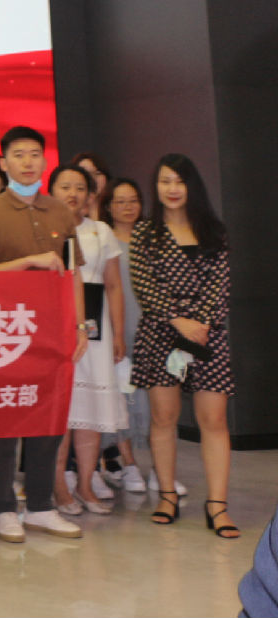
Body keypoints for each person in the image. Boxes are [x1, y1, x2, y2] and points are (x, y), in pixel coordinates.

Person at [0, 125, 87, 544]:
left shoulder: (59, 211)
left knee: (48, 419)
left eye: (35, 154)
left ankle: (40, 506)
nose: (28, 162)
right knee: (6, 419)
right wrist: (29, 262)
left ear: (45, 160)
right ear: (3, 163)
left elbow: (73, 274)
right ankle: (3, 507)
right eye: (18, 155)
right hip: (3, 331)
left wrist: (80, 326)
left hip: (52, 330)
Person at [128, 153, 238, 538]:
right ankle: (167, 496)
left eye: (179, 181)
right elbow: (144, 284)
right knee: (163, 418)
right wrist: (179, 321)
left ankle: (217, 506)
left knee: (214, 420)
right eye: (165, 181)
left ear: (192, 186)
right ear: (155, 186)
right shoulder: (145, 233)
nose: (172, 189)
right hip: (162, 331)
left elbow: (220, 283)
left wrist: (200, 323)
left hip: (208, 334)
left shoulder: (214, 231)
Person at [46, 163, 125, 517]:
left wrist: (119, 333)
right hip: (57, 325)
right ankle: (58, 487)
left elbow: (114, 286)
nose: (73, 194)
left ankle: (86, 485)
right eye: (65, 186)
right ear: (51, 191)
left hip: (96, 329)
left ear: (90, 195)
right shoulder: (46, 230)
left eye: (80, 187)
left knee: (91, 411)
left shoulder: (101, 231)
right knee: (62, 411)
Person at [100, 176, 149, 494]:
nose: (128, 207)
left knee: (153, 405)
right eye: (120, 201)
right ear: (109, 206)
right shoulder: (105, 241)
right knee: (122, 400)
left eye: (133, 201)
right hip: (118, 330)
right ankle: (128, 464)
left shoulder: (151, 242)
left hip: (150, 332)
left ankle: (160, 469)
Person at [73, 151, 111, 222]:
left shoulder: (114, 211)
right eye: (86, 174)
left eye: (97, 173)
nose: (92, 178)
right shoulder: (66, 214)